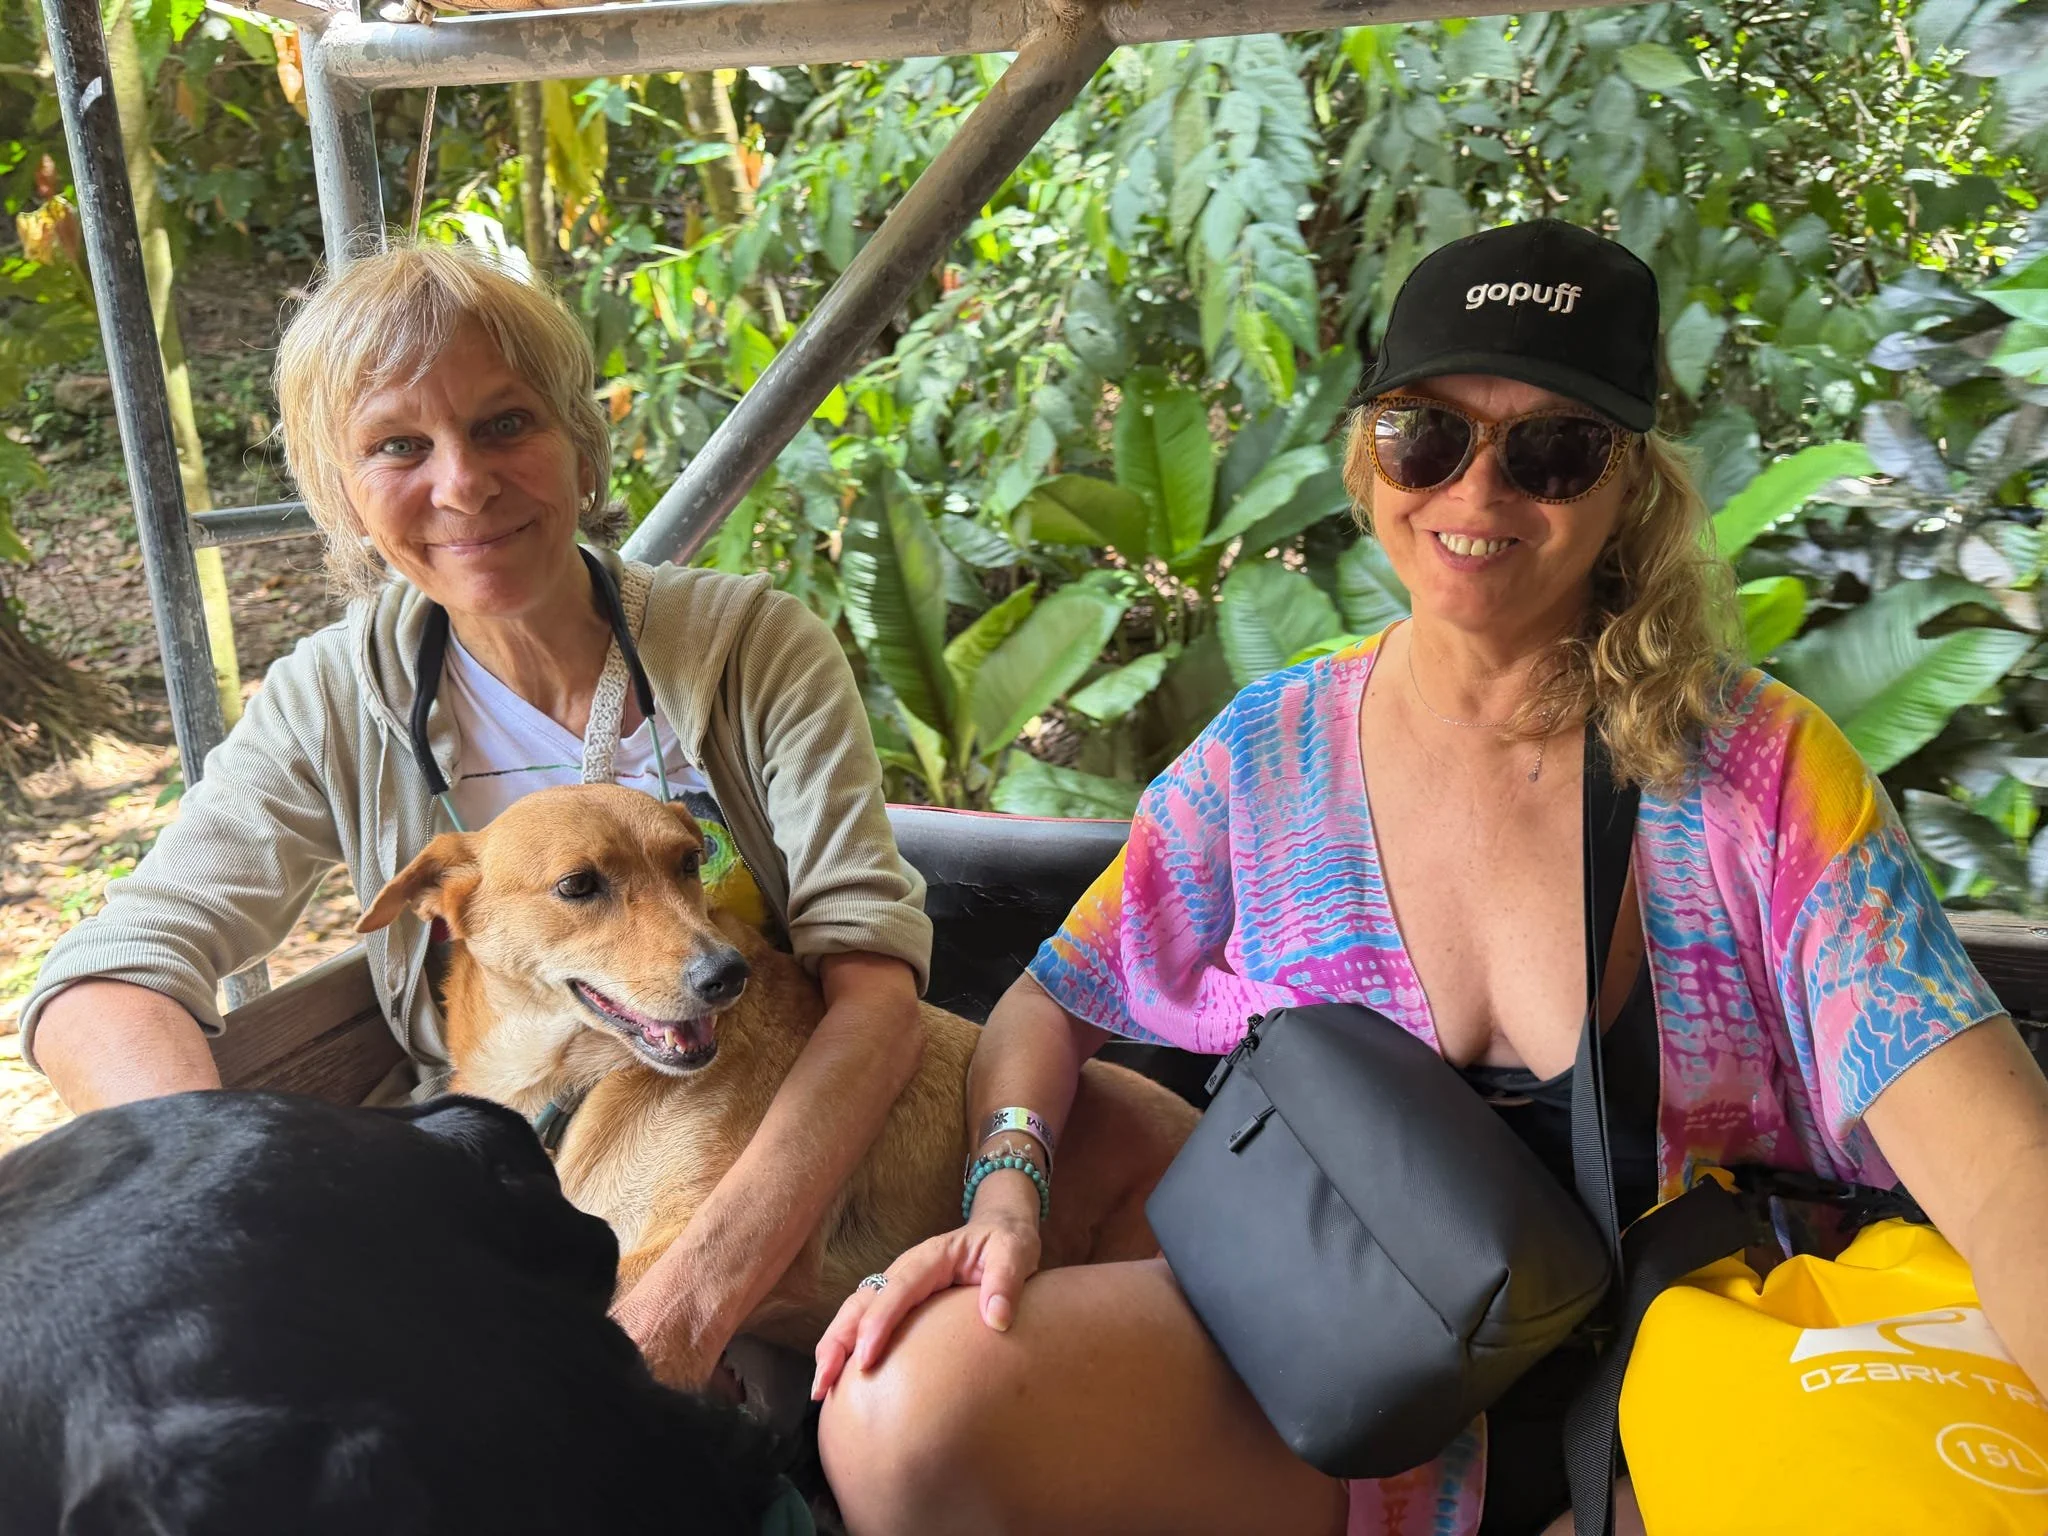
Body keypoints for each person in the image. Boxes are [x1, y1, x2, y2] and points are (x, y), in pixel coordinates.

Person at [807, 221, 2048, 1536]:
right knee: (904, 1408)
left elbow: (2001, 1173)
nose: (1478, 490)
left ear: (1630, 484)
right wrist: (1007, 1194)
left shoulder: (1756, 774)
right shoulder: (1269, 756)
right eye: (1426, 436)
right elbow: (1051, 1001)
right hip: (1349, 1364)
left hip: (1698, 1372)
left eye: (1553, 449)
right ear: (1367, 454)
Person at [20, 241, 932, 1393]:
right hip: (514, 1166)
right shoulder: (333, 699)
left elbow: (873, 987)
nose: (461, 484)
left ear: (579, 443)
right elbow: (103, 978)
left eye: (504, 425)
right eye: (398, 446)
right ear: (341, 488)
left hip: (761, 1164)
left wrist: (687, 1305)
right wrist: (240, 1197)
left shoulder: (749, 651)